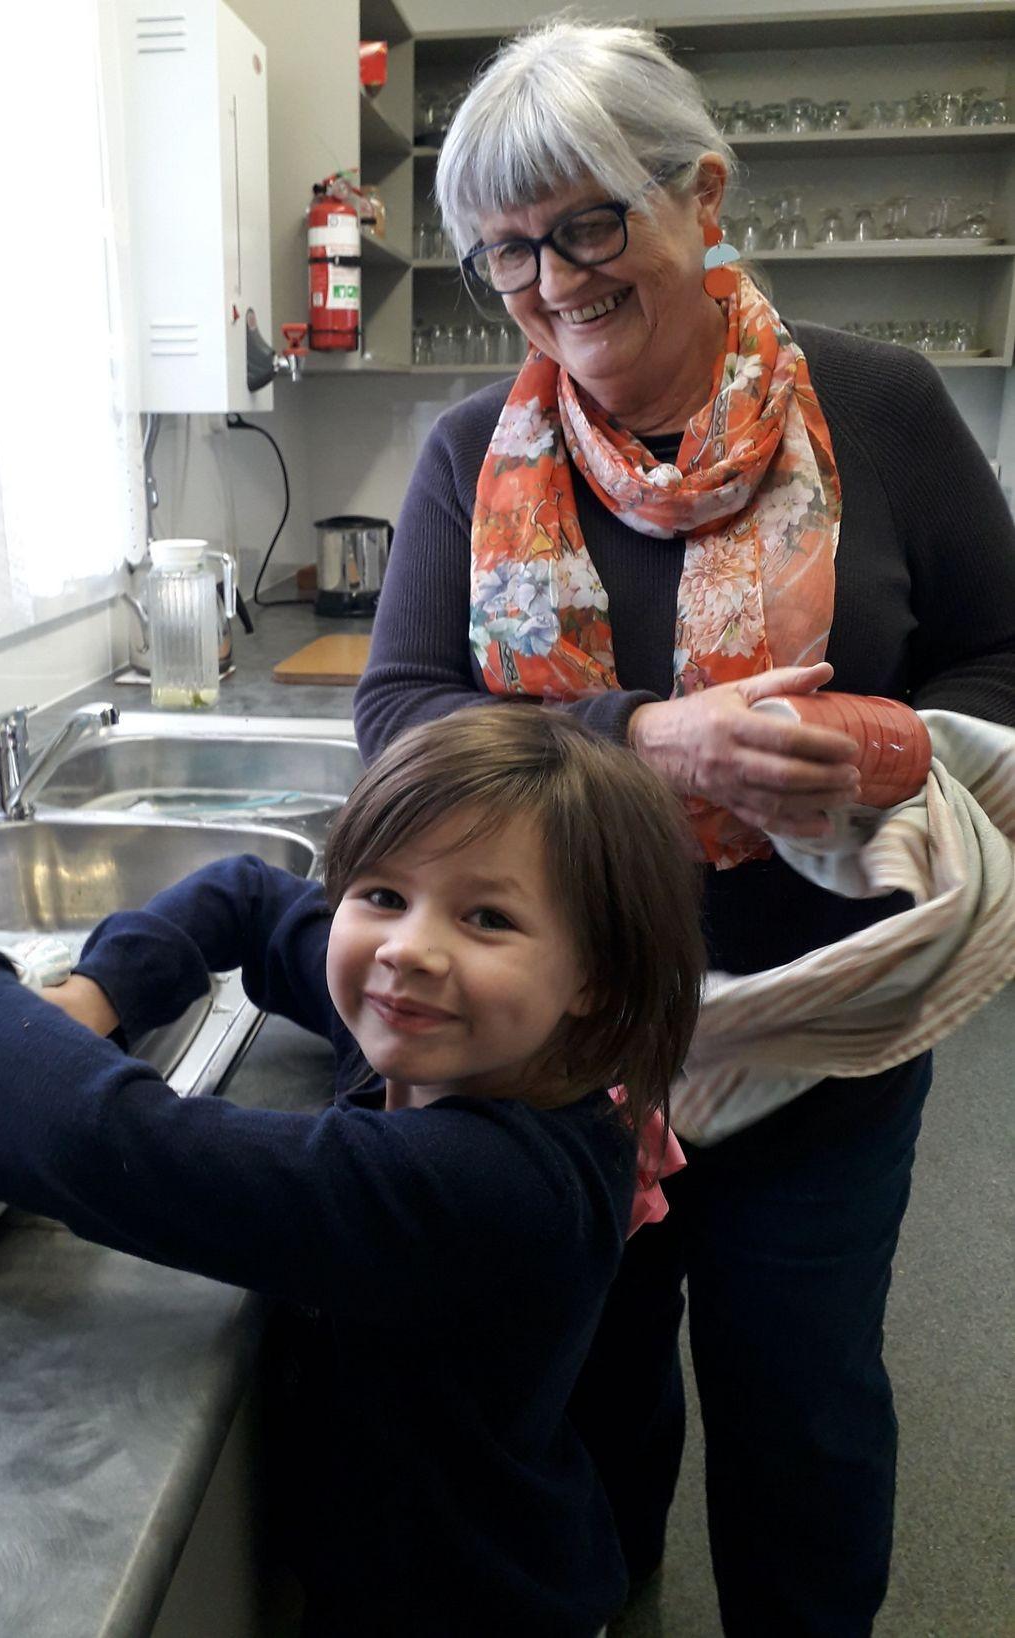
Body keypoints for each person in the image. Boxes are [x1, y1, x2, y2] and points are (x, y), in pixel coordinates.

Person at [353, 17, 1015, 1638]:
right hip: (562, 1038)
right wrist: (639, 738)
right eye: (505, 252)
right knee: (591, 1383)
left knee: (804, 1406)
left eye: (586, 225)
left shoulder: (880, 408)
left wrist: (882, 744)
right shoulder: (472, 455)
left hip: (818, 1026)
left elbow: (1001, 656)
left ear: (700, 194)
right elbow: (400, 717)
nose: (551, 283)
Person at [0, 706, 705, 1638]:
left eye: (487, 917)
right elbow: (251, 895)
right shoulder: (444, 1047)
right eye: (382, 894)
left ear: (593, 976)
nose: (407, 948)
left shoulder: (488, 1187)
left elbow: (125, 1149)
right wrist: (96, 992)